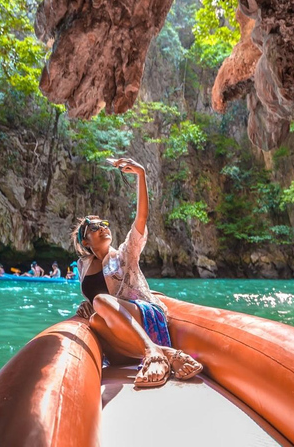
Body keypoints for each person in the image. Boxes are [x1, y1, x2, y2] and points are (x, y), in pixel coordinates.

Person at [72, 157, 202, 388]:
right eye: (94, 227)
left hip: (145, 315)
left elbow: (141, 218)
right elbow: (96, 299)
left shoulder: (125, 254)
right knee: (95, 320)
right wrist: (87, 304)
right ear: (85, 241)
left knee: (102, 301)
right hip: (121, 334)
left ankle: (153, 352)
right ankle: (168, 354)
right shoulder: (83, 265)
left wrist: (141, 174)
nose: (102, 228)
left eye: (104, 224)